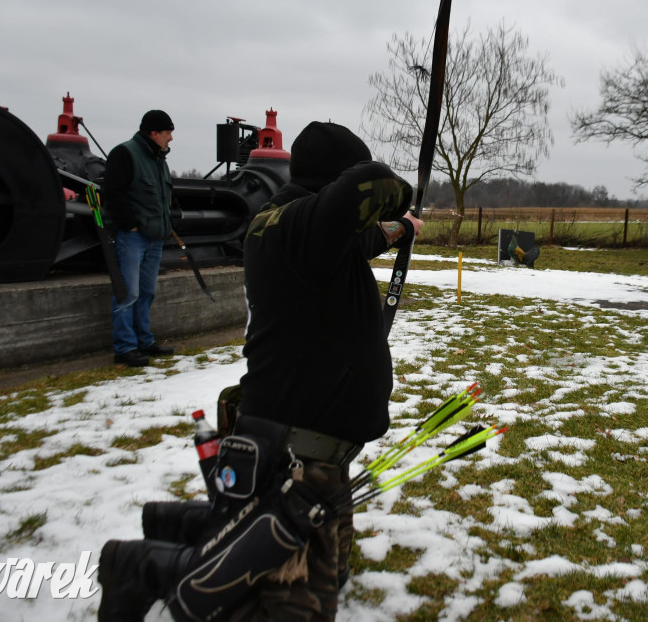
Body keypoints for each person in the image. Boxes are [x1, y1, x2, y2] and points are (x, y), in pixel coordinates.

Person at [97, 121, 423, 621]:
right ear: (333, 182)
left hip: (318, 447)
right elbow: (374, 184)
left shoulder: (298, 228)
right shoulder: (301, 228)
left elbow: (361, 239)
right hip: (298, 455)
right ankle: (141, 567)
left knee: (328, 576)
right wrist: (400, 201)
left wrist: (400, 229)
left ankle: (187, 535)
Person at [101, 110, 177, 367]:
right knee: (128, 293)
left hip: (154, 238)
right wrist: (130, 225)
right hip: (133, 237)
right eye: (168, 133)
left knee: (146, 292)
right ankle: (125, 348)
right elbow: (112, 192)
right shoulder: (125, 153)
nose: (171, 138)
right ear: (154, 132)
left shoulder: (158, 160)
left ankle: (144, 342)